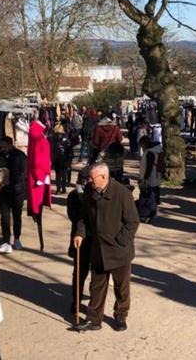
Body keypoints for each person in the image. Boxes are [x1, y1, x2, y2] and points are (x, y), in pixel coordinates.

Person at [73, 163, 140, 332]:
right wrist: (80, 233)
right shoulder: (90, 190)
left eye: (92, 178)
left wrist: (120, 241)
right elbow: (83, 215)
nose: (89, 181)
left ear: (103, 177)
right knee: (97, 286)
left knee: (121, 287)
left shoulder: (122, 194)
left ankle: (120, 316)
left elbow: (132, 222)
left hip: (119, 250)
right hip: (98, 248)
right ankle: (94, 319)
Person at [0, 136, 27, 254]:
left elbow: (24, 173)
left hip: (17, 191)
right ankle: (6, 241)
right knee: (5, 217)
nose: (3, 148)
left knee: (17, 215)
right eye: (2, 146)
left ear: (10, 144)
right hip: (3, 191)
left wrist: (12, 179)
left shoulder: (20, 155)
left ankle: (17, 238)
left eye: (5, 146)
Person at [67, 167, 92, 315]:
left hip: (95, 239)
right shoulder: (74, 196)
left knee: (97, 274)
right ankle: (76, 302)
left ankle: (94, 306)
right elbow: (74, 217)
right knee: (79, 272)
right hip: (80, 238)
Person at [52, 124, 74, 194]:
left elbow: (52, 150)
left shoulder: (52, 138)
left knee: (58, 175)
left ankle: (58, 189)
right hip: (64, 159)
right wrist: (69, 160)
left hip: (56, 159)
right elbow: (70, 150)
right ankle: (63, 188)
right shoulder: (66, 138)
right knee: (64, 174)